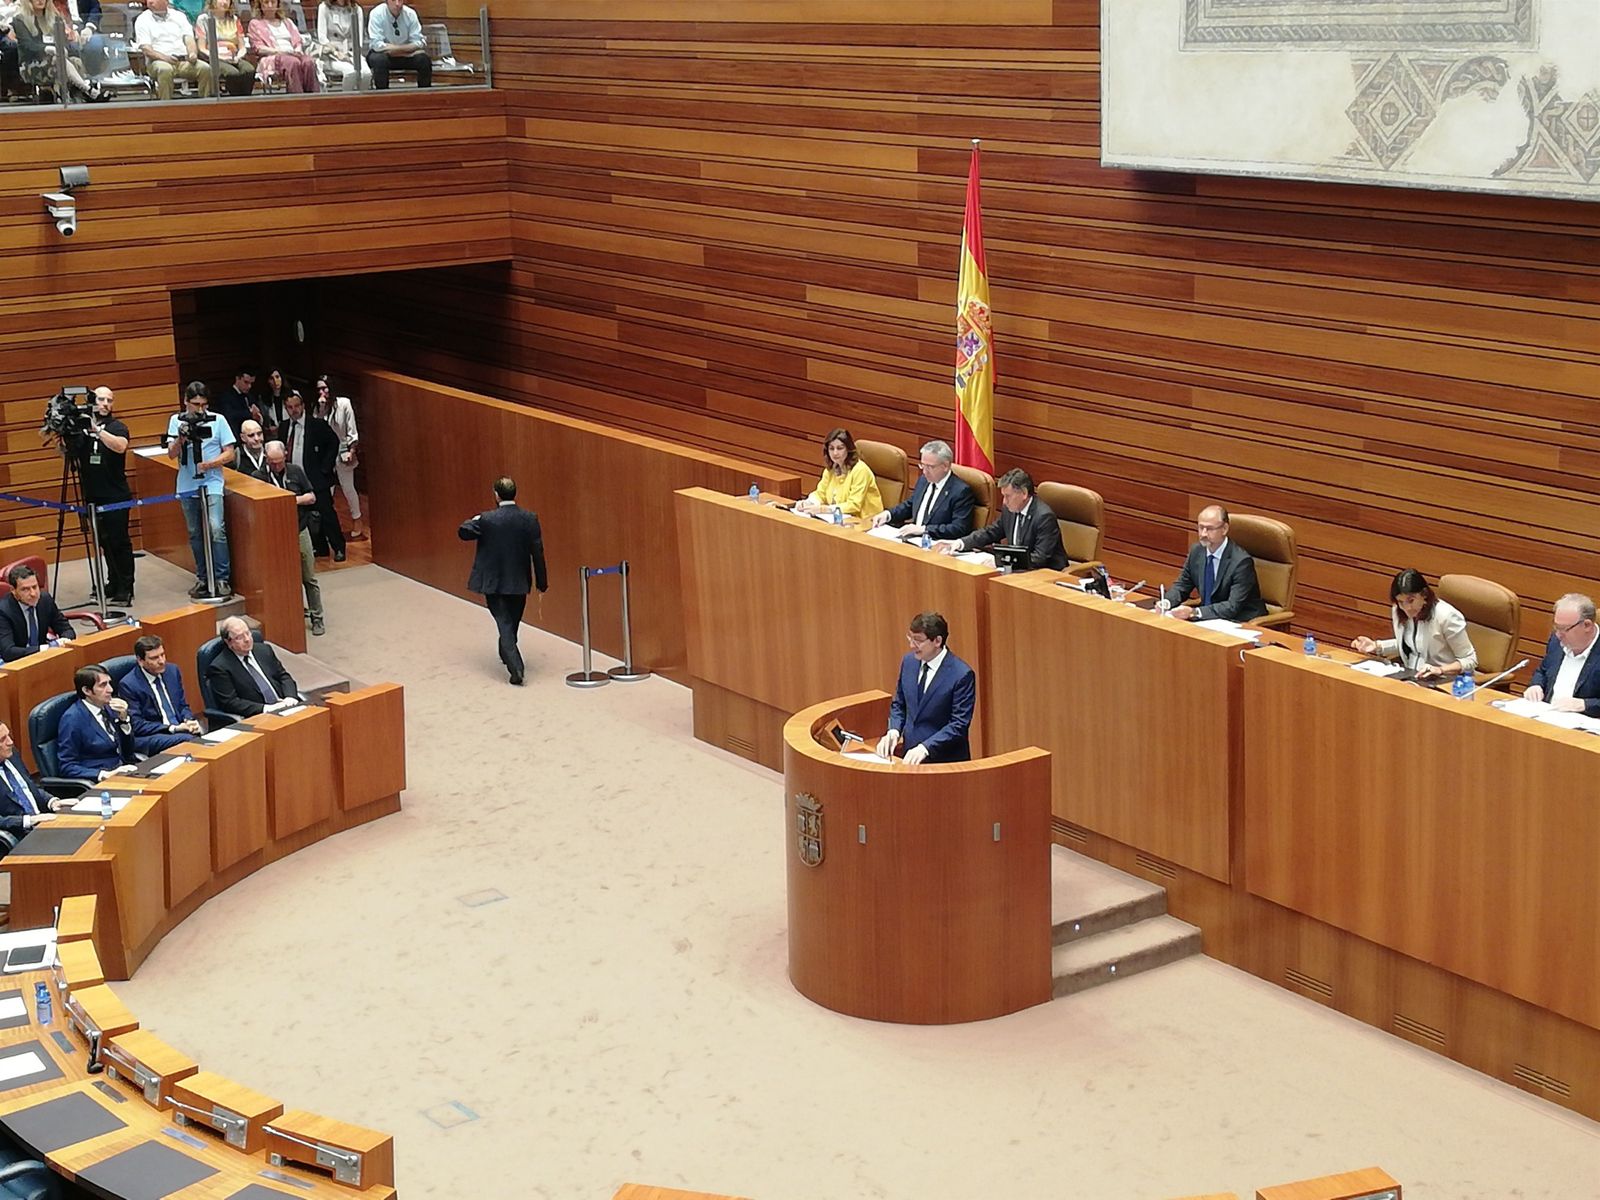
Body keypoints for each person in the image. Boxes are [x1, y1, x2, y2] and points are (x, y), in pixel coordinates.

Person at [458, 476, 548, 686]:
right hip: (519, 580)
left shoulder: (487, 519)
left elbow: (463, 532)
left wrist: (475, 519)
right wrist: (541, 581)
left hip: (494, 581)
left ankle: (515, 665)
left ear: (496, 494)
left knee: (504, 623)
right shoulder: (529, 518)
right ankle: (507, 652)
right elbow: (538, 552)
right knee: (511, 622)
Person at [873, 612, 976, 765]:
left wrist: (925, 748)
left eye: (918, 640)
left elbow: (958, 724)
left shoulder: (961, 674)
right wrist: (893, 730)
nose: (911, 645)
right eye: (910, 638)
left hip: (945, 763)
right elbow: (899, 704)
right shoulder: (908, 662)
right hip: (910, 759)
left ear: (937, 641)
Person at [166, 381, 235, 600]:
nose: (200, 409)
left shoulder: (218, 420)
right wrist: (181, 438)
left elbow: (230, 453)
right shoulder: (176, 421)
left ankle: (222, 578)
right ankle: (203, 578)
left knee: (216, 528)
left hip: (212, 481)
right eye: (195, 404)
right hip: (187, 484)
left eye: (204, 404)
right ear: (186, 402)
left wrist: (210, 464)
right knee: (195, 533)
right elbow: (170, 453)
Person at [1350, 568, 1477, 681]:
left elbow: (1470, 660)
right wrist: (1377, 646)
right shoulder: (1398, 610)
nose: (1407, 608)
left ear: (1424, 595)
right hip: (1410, 677)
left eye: (1411, 600)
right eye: (1400, 601)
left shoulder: (1446, 616)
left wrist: (1440, 670)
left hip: (1444, 682)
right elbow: (1413, 645)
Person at [936, 467, 1065, 571]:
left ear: (1024, 493)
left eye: (1008, 496)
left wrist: (1000, 561)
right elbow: (991, 532)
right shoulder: (1010, 510)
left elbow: (1039, 559)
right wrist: (960, 543)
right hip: (1017, 570)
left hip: (1044, 574)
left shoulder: (1044, 517)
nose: (1004, 502)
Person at [75, 386, 134, 608]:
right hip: (93, 496)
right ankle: (112, 581)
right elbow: (69, 453)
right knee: (104, 542)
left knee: (119, 542)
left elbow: (120, 446)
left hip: (116, 495)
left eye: (109, 400)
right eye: (101, 399)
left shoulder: (118, 427)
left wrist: (97, 430)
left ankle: (126, 587)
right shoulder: (83, 429)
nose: (105, 404)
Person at [1160, 504, 1266, 623]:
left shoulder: (1241, 562)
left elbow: (1232, 606)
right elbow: (1182, 585)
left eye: (1209, 529)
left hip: (1240, 620)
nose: (1203, 534)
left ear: (1224, 529)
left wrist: (1195, 612)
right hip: (1210, 618)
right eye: (1201, 528)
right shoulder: (1197, 551)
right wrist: (1167, 602)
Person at [262, 439, 325, 636]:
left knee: (309, 576)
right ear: (266, 459)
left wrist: (288, 500)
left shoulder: (295, 471)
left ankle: (317, 617)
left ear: (285, 456)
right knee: (283, 579)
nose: (276, 466)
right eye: (272, 462)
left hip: (299, 529)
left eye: (279, 462)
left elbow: (311, 497)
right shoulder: (259, 476)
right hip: (274, 535)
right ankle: (290, 616)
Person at [280, 390, 345, 561]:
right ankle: (320, 547)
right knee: (305, 517)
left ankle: (338, 547)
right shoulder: (284, 426)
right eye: (289, 407)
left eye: (296, 406)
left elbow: (333, 443)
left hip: (316, 477)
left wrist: (325, 468)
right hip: (295, 479)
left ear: (302, 406)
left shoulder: (316, 424)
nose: (293, 410)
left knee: (326, 514)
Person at [868, 439, 976, 541]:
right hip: (913, 541)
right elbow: (910, 505)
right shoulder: (924, 480)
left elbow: (958, 529)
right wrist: (888, 515)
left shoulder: (960, 491)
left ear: (946, 466)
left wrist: (924, 530)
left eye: (930, 467)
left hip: (936, 545)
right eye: (922, 465)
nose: (925, 471)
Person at [117, 635, 203, 753]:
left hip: (179, 729)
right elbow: (137, 725)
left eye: (162, 655)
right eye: (154, 658)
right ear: (141, 661)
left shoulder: (172, 671)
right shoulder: (129, 685)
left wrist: (188, 720)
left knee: (203, 734)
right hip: (152, 735)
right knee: (191, 740)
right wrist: (173, 728)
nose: (162, 661)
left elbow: (182, 705)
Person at [57, 664, 139, 783]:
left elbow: (128, 752)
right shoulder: (72, 719)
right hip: (100, 782)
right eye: (103, 685)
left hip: (124, 772)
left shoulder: (110, 708)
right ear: (86, 690)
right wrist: (103, 775)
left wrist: (124, 720)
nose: (110, 689)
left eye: (109, 683)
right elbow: (66, 766)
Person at [207, 616, 302, 717]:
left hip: (285, 706)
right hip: (259, 716)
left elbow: (283, 676)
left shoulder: (264, 650)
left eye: (247, 633)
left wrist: (290, 697)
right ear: (228, 642)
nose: (247, 639)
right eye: (240, 637)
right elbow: (231, 703)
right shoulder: (220, 667)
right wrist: (265, 708)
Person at [1525, 593, 1600, 715]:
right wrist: (1536, 685)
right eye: (1556, 627)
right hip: (1546, 716)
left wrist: (1585, 704)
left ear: (1587, 625)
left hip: (1582, 727)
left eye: (1564, 628)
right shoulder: (1557, 641)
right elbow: (1542, 670)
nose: (1558, 634)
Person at [13, 0, 104, 100]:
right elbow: (28, 46)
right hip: (31, 63)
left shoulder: (55, 18)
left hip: (57, 58)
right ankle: (87, 90)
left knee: (74, 61)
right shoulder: (20, 19)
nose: (40, 1)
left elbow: (63, 41)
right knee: (59, 60)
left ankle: (71, 93)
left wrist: (61, 48)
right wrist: (47, 49)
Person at [0, 723, 68, 856]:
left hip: (43, 826)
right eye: (2, 739)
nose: (10, 742)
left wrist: (52, 801)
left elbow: (28, 788)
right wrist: (28, 820)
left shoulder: (12, 756)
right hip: (20, 836)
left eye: (9, 736)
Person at [794, 428, 883, 521]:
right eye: (831, 448)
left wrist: (825, 509)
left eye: (840, 448)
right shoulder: (831, 469)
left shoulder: (860, 470)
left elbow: (854, 505)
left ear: (848, 449)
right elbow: (821, 493)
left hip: (865, 521)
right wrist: (808, 503)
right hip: (839, 520)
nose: (835, 453)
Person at [134, 0, 215, 99]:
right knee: (165, 69)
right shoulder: (143, 19)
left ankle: (205, 105)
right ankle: (166, 106)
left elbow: (189, 39)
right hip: (158, 61)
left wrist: (192, 53)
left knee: (205, 69)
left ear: (166, 1)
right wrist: (166, 58)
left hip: (183, 61)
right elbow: (146, 49)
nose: (150, 2)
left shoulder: (179, 16)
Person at [315, 375, 363, 539]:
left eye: (325, 388)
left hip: (343, 450)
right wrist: (321, 410)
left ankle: (357, 520)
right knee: (327, 491)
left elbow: (352, 429)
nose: (322, 392)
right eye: (319, 389)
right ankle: (328, 527)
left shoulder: (344, 403)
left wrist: (352, 450)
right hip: (325, 453)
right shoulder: (318, 407)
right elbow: (317, 429)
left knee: (348, 488)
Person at [0, 564, 74, 660]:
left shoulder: (45, 600)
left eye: (35, 587)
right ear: (13, 590)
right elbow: (9, 652)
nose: (33, 594)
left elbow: (66, 630)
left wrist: (64, 640)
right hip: (15, 662)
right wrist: (45, 648)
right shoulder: (3, 611)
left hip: (43, 657)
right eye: (25, 589)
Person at [250, 0, 317, 91]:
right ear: (260, 5)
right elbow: (258, 48)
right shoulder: (255, 24)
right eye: (266, 2)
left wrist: (297, 49)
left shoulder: (287, 22)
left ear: (277, 4)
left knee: (308, 62)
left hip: (292, 53)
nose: (270, 5)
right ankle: (298, 98)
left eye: (273, 2)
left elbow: (297, 41)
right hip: (273, 55)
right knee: (293, 63)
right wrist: (279, 52)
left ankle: (313, 98)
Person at [195, 0, 254, 96]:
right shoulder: (204, 19)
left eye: (227, 0)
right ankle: (234, 101)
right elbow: (202, 48)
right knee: (233, 73)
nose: (224, 2)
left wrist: (238, 57)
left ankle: (245, 100)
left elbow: (242, 47)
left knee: (249, 70)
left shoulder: (234, 19)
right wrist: (220, 57)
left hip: (233, 57)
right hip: (214, 57)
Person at [365, 0, 428, 88]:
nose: (397, 4)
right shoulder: (377, 13)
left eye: (400, 0)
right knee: (379, 60)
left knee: (424, 60)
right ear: (387, 1)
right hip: (385, 55)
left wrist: (395, 50)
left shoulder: (410, 14)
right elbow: (377, 45)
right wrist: (405, 49)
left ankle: (424, 96)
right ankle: (383, 96)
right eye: (393, 0)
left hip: (405, 56)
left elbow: (419, 42)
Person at [317, 0, 369, 91]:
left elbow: (359, 38)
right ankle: (345, 101)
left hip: (351, 52)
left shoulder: (356, 9)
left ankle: (361, 102)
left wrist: (353, 54)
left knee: (366, 74)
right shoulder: (324, 8)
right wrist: (336, 52)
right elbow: (322, 38)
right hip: (331, 55)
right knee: (351, 72)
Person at [214, 367, 255, 443]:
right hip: (235, 437)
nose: (249, 386)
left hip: (250, 438)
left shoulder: (250, 396)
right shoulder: (226, 396)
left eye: (251, 383)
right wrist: (250, 413)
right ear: (237, 379)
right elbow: (229, 415)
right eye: (246, 382)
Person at [254, 368, 292, 432]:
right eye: (271, 378)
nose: (275, 381)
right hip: (273, 434)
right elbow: (263, 420)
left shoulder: (293, 394)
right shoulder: (263, 398)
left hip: (290, 431)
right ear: (268, 381)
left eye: (277, 377)